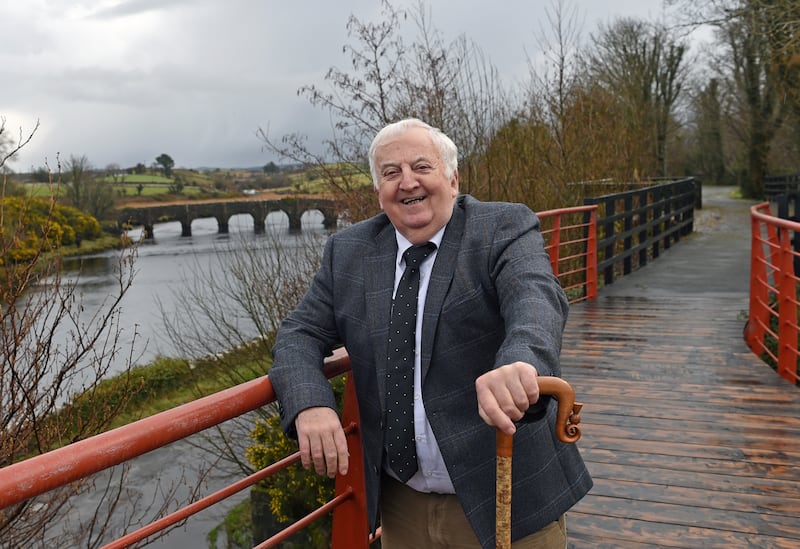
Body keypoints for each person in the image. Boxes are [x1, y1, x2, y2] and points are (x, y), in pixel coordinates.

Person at [269, 118, 592, 548]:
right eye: (390, 173)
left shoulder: (502, 228)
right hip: (402, 509)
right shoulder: (347, 252)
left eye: (422, 167)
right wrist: (310, 403)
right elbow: (297, 333)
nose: (407, 183)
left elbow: (535, 300)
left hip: (505, 493)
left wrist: (520, 363)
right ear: (377, 190)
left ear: (452, 178)